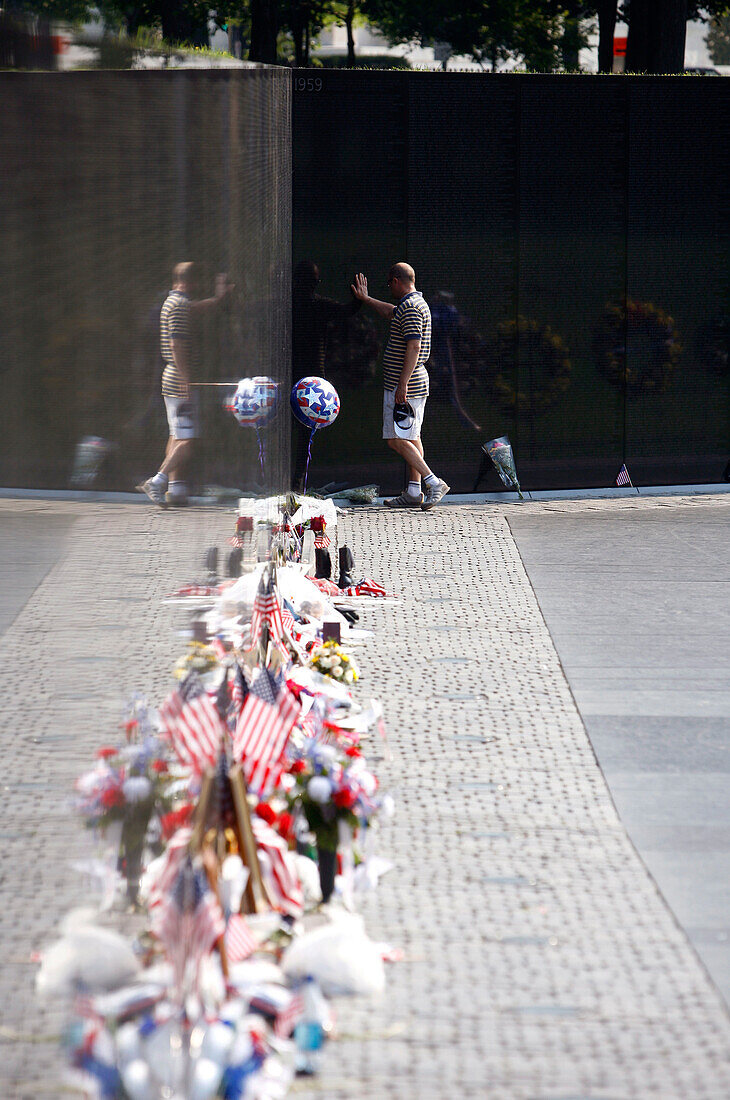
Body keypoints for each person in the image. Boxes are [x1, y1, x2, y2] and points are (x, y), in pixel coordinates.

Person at [351, 263, 450, 510]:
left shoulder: (412, 308)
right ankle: (414, 493)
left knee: (395, 439)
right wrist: (366, 299)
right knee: (412, 437)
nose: (389, 289)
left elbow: (414, 346)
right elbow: (389, 312)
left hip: (407, 383)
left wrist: (402, 384)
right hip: (412, 382)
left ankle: (433, 482)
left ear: (396, 281)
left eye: (388, 284)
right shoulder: (414, 304)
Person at [136, 263, 231, 507]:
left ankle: (175, 489)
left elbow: (196, 308)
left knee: (177, 435)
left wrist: (218, 299)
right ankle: (157, 481)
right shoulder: (178, 307)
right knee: (188, 440)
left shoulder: (173, 302)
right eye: (197, 284)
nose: (198, 289)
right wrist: (187, 379)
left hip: (172, 380)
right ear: (190, 282)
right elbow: (178, 345)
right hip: (179, 382)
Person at [292, 260, 361, 492]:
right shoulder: (319, 305)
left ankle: (291, 483)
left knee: (292, 432)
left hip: (291, 372)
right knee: (305, 436)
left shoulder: (288, 304)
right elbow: (346, 311)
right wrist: (359, 298)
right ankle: (297, 484)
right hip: (312, 377)